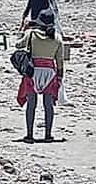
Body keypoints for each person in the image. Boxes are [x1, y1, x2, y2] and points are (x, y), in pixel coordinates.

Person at [16, 9, 64, 143]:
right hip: (49, 71)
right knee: (48, 105)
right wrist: (60, 77)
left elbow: (18, 44)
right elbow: (59, 61)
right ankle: (48, 135)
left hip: (33, 71)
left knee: (31, 104)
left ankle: (29, 135)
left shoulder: (31, 34)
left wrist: (23, 30)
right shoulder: (57, 38)